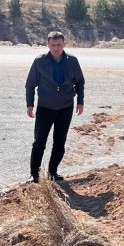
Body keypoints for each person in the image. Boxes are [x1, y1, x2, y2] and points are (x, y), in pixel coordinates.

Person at [25, 31, 85, 182]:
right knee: (39, 142)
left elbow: (80, 82)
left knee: (60, 141)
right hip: (45, 107)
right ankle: (34, 175)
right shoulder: (40, 61)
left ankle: (53, 173)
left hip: (65, 107)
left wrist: (80, 101)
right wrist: (30, 104)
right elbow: (30, 84)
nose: (56, 48)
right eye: (53, 45)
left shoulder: (72, 61)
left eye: (59, 45)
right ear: (48, 44)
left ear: (64, 44)